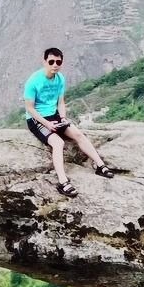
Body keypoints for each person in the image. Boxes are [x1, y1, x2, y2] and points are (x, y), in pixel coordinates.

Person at [24, 47, 114, 197]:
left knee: (78, 134)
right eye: (51, 61)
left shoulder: (60, 78)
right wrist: (47, 124)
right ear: (44, 61)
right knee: (58, 143)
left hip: (54, 116)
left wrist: (63, 118)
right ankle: (63, 182)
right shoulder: (33, 81)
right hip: (36, 119)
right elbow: (30, 108)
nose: (55, 65)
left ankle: (100, 165)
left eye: (58, 62)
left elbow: (60, 102)